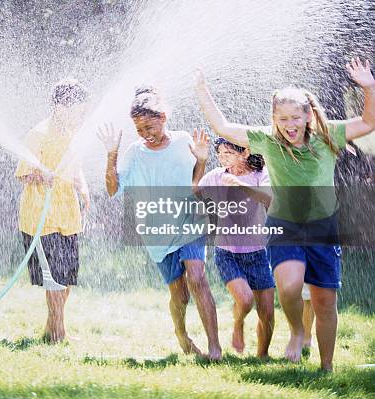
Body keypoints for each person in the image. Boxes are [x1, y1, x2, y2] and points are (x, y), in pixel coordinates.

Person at [195, 58, 375, 371]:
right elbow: (223, 127)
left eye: (295, 117)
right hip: (284, 225)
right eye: (282, 118)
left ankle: (327, 367)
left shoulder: (327, 135)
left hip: (323, 228)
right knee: (290, 286)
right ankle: (296, 331)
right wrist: (201, 89)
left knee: (324, 301)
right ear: (274, 119)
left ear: (308, 116)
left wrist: (369, 87)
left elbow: (368, 123)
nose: (289, 124)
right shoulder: (268, 139)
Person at [98, 86, 222, 360]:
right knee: (180, 296)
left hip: (190, 223)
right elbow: (111, 190)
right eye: (140, 130)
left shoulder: (182, 142)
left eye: (150, 127)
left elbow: (195, 187)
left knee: (198, 279)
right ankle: (182, 334)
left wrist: (201, 160)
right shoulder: (134, 152)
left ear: (164, 117)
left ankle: (215, 348)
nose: (146, 135)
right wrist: (112, 154)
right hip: (156, 232)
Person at [16, 79, 90, 343]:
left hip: (68, 216)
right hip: (41, 218)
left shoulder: (72, 133)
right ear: (61, 107)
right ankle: (58, 332)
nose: (82, 115)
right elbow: (23, 174)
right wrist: (39, 175)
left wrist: (82, 185)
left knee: (67, 277)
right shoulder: (38, 134)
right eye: (78, 110)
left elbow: (74, 164)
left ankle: (51, 327)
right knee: (55, 278)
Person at [198, 137, 275, 358]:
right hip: (226, 252)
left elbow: (268, 199)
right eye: (220, 154)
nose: (223, 159)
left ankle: (262, 356)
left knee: (267, 312)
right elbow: (194, 191)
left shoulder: (261, 175)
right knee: (245, 299)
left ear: (245, 152)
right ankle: (238, 323)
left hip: (258, 253)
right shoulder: (216, 176)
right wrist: (202, 160)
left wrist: (239, 184)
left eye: (228, 153)